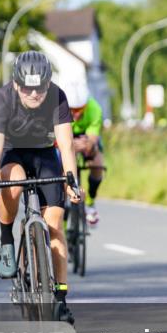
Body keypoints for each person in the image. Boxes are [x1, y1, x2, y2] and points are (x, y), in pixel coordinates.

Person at [0, 51, 81, 324]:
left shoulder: (57, 96)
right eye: (27, 88)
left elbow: (66, 145)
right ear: (16, 84)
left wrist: (72, 182)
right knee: (12, 181)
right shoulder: (1, 100)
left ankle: (60, 298)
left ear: (48, 83)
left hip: (45, 155)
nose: (34, 94)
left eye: (40, 88)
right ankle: (6, 239)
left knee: (55, 225)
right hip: (14, 153)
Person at [64, 81, 105, 225]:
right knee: (61, 166)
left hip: (85, 138)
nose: (76, 114)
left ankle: (90, 202)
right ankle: (62, 209)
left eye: (80, 109)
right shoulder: (58, 108)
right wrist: (69, 146)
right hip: (65, 136)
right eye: (72, 110)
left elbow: (93, 138)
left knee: (98, 163)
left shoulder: (94, 109)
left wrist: (88, 145)